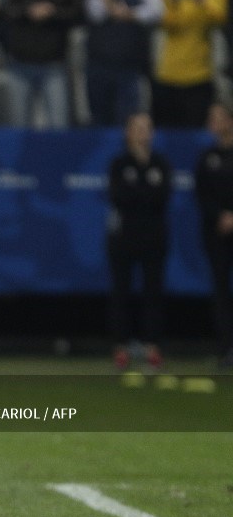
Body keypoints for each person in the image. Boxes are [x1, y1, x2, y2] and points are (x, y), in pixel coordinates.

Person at [1, 0, 83, 129]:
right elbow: (7, 11)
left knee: (58, 125)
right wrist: (29, 12)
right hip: (20, 61)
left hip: (54, 62)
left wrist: (52, 12)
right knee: (19, 128)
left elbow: (78, 12)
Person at [107, 112, 171, 371]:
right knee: (121, 292)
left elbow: (161, 198)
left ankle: (151, 347)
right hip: (124, 238)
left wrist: (139, 193)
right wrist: (144, 193)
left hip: (154, 238)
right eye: (137, 128)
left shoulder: (161, 163)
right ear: (128, 132)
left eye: (147, 128)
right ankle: (121, 347)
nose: (143, 133)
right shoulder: (119, 164)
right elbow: (119, 197)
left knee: (153, 293)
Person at [83, 0, 163, 127]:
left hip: (130, 66)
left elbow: (157, 11)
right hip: (98, 65)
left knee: (128, 120)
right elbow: (95, 13)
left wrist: (129, 14)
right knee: (99, 121)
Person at [152, 0, 228, 129]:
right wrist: (174, 4)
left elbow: (220, 19)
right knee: (167, 130)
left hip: (200, 74)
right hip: (168, 73)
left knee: (197, 130)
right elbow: (165, 24)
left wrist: (202, 1)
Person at [194, 100, 233, 369]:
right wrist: (221, 216)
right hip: (216, 232)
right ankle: (226, 350)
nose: (212, 123)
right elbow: (202, 194)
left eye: (217, 117)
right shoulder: (207, 157)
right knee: (220, 291)